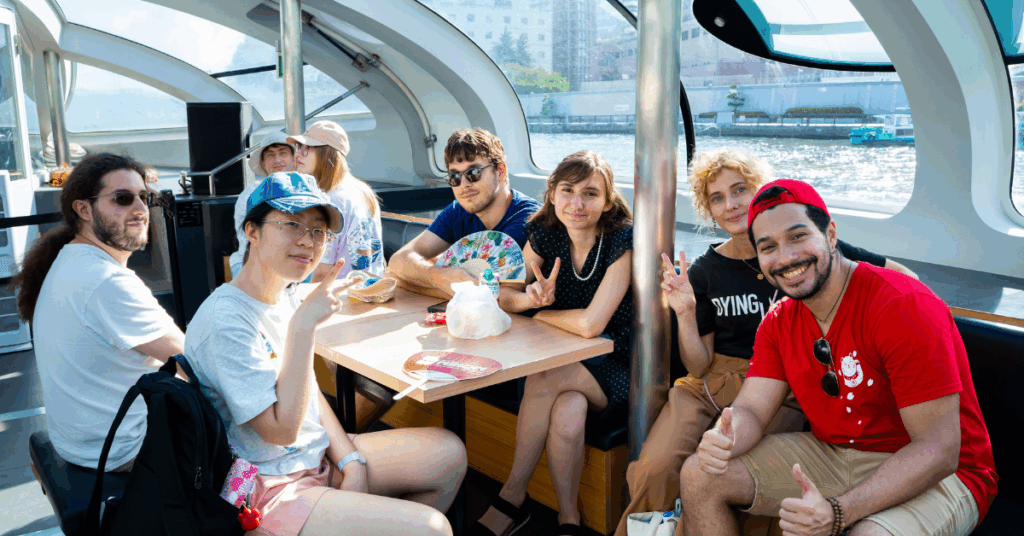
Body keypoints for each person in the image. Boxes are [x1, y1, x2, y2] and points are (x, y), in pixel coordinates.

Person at [617, 149, 919, 536]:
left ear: (761, 192)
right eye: (717, 198)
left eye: (740, 189)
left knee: (738, 479)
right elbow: (696, 364)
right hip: (711, 382)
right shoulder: (705, 271)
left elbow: (903, 280)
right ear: (708, 211)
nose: (731, 204)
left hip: (783, 385)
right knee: (654, 468)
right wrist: (686, 312)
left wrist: (925, 323)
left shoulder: (807, 251)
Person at [680, 179, 997, 536]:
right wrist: (726, 437)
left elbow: (939, 449)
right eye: (768, 247)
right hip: (834, 453)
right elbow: (752, 409)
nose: (785, 258)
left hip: (942, 474)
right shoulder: (778, 321)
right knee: (700, 475)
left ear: (831, 234)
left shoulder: (902, 305)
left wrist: (838, 512)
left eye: (798, 237)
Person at [185, 172, 467, 536]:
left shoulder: (283, 293)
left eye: (319, 231)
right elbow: (281, 431)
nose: (308, 241)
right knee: (432, 529)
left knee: (448, 454)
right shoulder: (225, 320)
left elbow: (311, 395)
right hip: (268, 486)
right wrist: (304, 327)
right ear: (252, 231)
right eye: (292, 224)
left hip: (314, 458)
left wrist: (351, 461)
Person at [471, 151, 633, 536]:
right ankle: (569, 519)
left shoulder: (622, 240)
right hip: (565, 363)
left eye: (590, 194)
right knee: (567, 413)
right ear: (552, 194)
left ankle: (511, 496)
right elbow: (502, 295)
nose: (577, 204)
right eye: (567, 191)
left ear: (608, 200)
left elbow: (592, 325)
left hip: (619, 366)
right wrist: (529, 300)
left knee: (542, 377)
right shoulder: (545, 231)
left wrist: (542, 315)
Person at [12, 153, 184, 471]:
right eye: (122, 198)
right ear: (84, 209)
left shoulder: (68, 260)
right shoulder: (107, 283)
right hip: (121, 452)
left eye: (145, 198)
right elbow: (192, 362)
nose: (140, 209)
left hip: (79, 444)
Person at [388, 128, 541, 298]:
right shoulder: (458, 211)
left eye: (473, 173)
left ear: (501, 170)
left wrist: (412, 281)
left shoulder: (527, 217)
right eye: (455, 176)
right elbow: (398, 261)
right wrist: (437, 276)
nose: (464, 184)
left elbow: (490, 296)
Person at [288, 120, 385, 281]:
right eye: (298, 147)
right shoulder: (363, 191)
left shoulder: (331, 200)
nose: (297, 154)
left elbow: (322, 272)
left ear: (326, 153)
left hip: (339, 295)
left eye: (307, 148)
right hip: (369, 289)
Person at [230, 131, 296, 277]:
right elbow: (246, 241)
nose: (277, 159)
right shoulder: (249, 195)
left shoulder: (305, 190)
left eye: (283, 153)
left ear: (294, 159)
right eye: (270, 155)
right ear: (263, 163)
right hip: (255, 259)